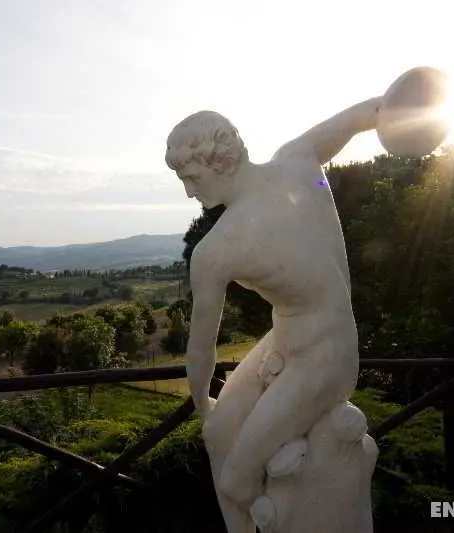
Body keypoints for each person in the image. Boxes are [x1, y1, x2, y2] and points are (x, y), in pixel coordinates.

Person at [164, 97, 383, 532]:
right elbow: (366, 114)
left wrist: (201, 402)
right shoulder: (298, 158)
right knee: (218, 433)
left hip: (324, 358)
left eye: (191, 177)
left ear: (218, 161)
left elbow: (201, 350)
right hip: (286, 339)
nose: (189, 191)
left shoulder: (217, 249)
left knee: (235, 482)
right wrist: (398, 107)